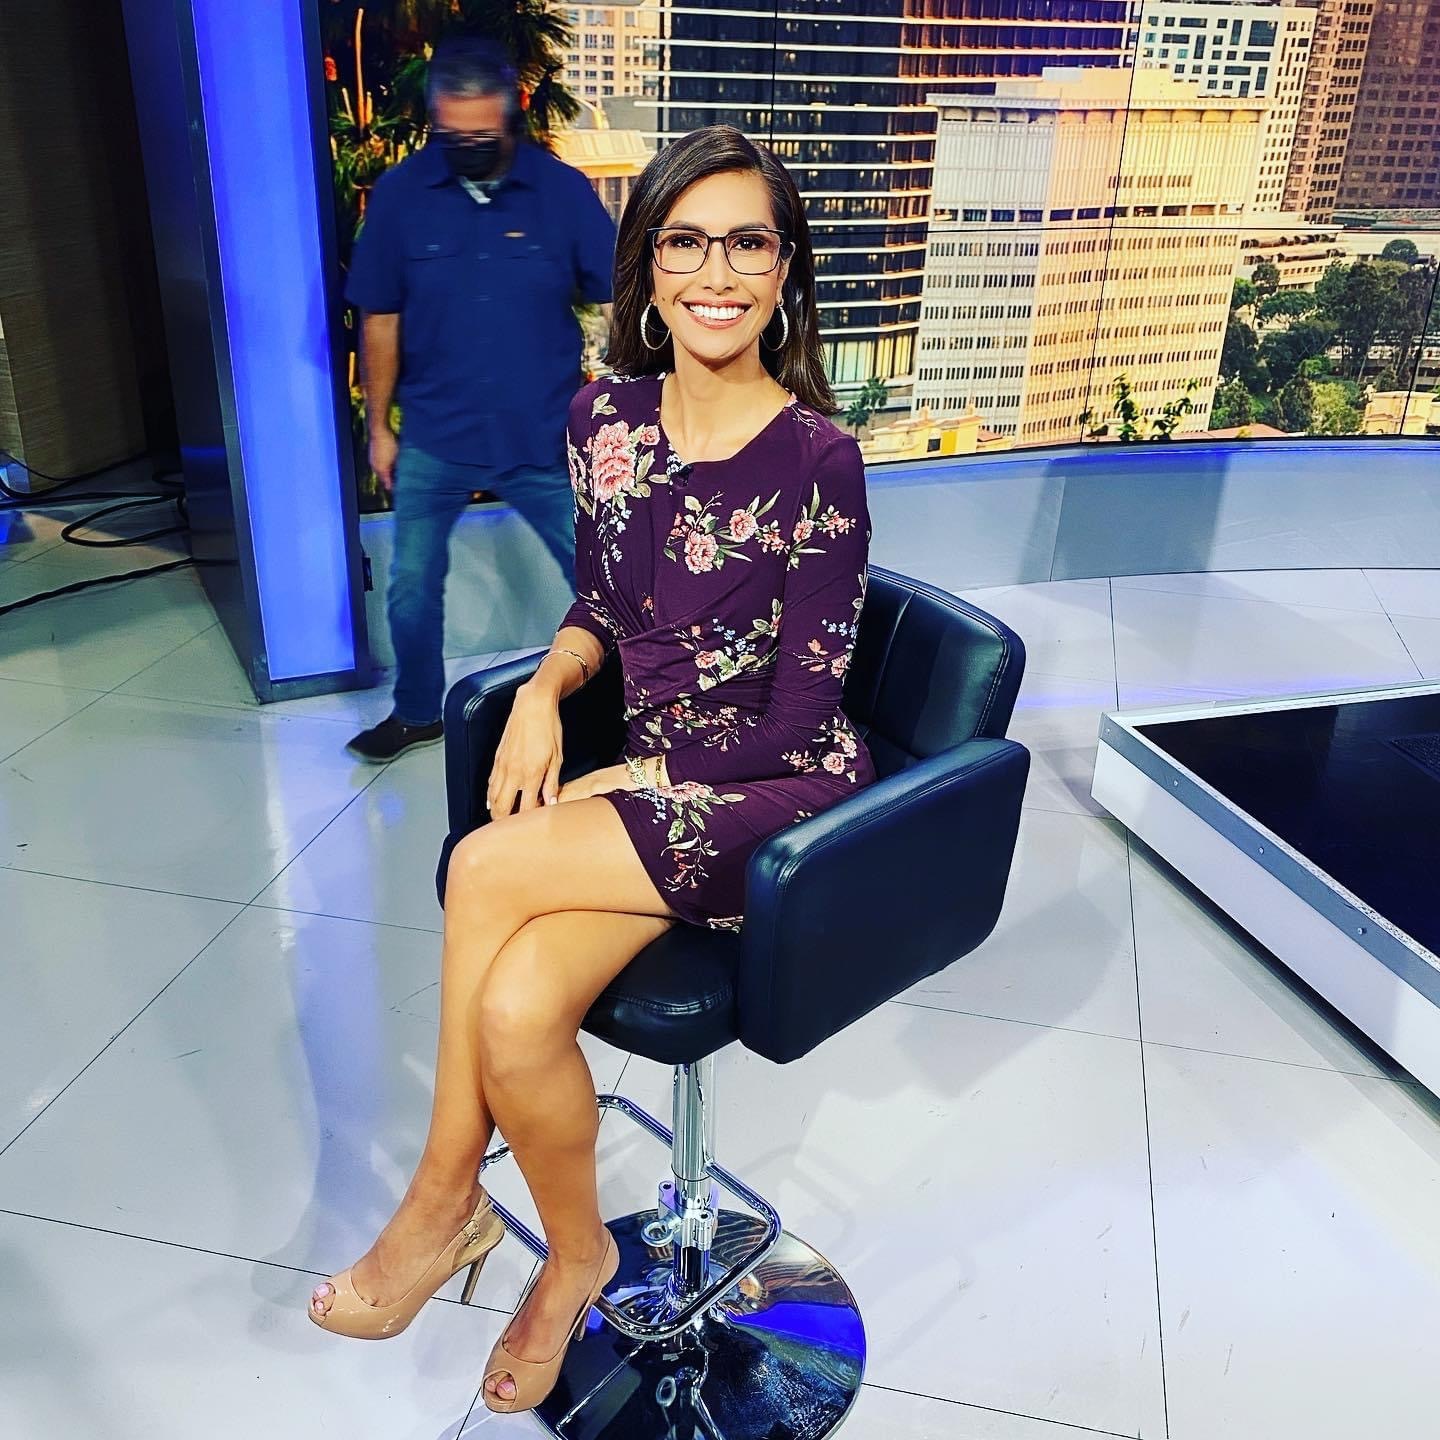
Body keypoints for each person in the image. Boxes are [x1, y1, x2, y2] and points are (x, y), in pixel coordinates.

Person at [308, 124, 875, 1415]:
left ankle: (442, 1200)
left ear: (785, 269)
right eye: (687, 242)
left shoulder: (818, 463)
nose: (716, 272)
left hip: (774, 796)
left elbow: (802, 717)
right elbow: (606, 604)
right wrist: (546, 690)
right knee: (514, 1016)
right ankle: (580, 1256)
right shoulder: (603, 418)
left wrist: (640, 778)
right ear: (645, 268)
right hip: (658, 786)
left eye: (748, 242)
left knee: (483, 865)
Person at [344, 36, 617, 763]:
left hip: (543, 434)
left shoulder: (561, 191)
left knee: (603, 577)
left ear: (511, 113)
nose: (466, 147)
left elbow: (618, 299)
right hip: (437, 431)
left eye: (481, 134)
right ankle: (416, 714)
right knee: (410, 586)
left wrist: (630, 407)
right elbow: (380, 317)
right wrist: (380, 427)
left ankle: (637, 703)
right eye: (452, 134)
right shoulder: (402, 195)